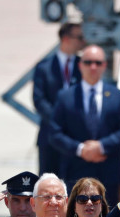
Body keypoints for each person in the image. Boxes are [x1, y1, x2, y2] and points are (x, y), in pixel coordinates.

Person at [49, 44, 120, 204]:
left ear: (104, 65)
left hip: (108, 172)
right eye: (88, 62)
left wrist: (100, 146)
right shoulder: (65, 97)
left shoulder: (117, 96)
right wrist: (81, 149)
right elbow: (55, 133)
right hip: (75, 170)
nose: (93, 67)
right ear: (80, 65)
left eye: (98, 62)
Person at [33, 22, 85, 175]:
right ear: (66, 39)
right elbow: (39, 99)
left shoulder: (83, 66)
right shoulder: (44, 67)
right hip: (50, 135)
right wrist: (59, 120)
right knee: (48, 183)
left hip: (76, 137)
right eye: (80, 37)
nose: (83, 42)